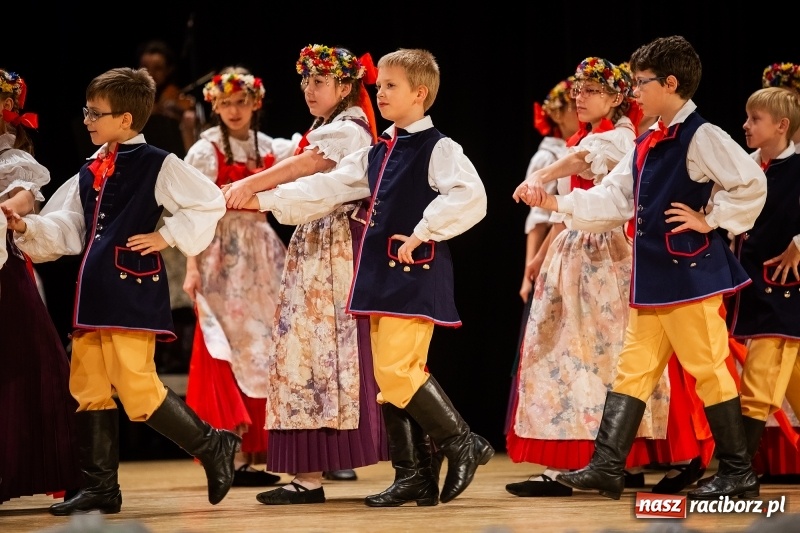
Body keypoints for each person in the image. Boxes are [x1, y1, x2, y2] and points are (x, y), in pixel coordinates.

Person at [515, 35, 768, 501]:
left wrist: (710, 219)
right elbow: (615, 198)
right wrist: (555, 201)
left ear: (670, 84)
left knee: (709, 367)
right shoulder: (649, 139)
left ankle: (739, 472)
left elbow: (752, 184)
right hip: (654, 280)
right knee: (632, 371)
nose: (635, 92)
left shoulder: (702, 135)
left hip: (689, 276)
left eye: (642, 83)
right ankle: (607, 466)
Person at [242, 47, 493, 506]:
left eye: (390, 87)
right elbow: (327, 188)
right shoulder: (379, 151)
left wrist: (423, 231)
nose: (380, 94)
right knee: (388, 376)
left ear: (420, 93)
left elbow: (470, 196)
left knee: (399, 371)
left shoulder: (439, 147)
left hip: (414, 275)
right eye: (379, 87)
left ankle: (462, 442)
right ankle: (413, 474)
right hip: (379, 278)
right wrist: (262, 201)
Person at [5, 67, 234, 515]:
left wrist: (167, 237)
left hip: (131, 289)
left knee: (136, 384)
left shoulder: (159, 163)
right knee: (87, 384)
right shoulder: (91, 167)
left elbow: (210, 201)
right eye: (87, 111)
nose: (87, 119)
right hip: (92, 293)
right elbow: (69, 223)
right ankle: (101, 487)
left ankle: (213, 443)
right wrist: (27, 226)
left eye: (96, 113)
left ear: (126, 120)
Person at [223, 43, 386, 504]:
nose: (309, 90)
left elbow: (312, 164)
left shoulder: (350, 127)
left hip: (336, 246)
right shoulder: (328, 126)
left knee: (325, 352)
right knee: (305, 354)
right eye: (306, 82)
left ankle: (320, 471)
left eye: (319, 82)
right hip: (316, 243)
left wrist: (250, 183)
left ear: (345, 85)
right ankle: (308, 473)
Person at [506, 57, 671, 498]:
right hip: (573, 250)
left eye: (591, 89)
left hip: (605, 256)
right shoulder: (585, 136)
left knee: (593, 355)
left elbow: (583, 164)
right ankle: (591, 458)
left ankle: (591, 458)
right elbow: (567, 205)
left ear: (618, 98)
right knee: (567, 352)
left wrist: (541, 173)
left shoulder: (617, 138)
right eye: (578, 88)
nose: (579, 96)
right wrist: (540, 254)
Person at [182, 67, 296, 487]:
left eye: (241, 102)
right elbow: (191, 210)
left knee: (266, 345)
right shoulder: (206, 149)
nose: (233, 110)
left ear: (255, 103)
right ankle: (227, 449)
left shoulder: (268, 146)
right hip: (220, 256)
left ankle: (259, 451)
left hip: (263, 253)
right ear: (215, 105)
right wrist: (192, 266)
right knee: (225, 344)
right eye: (226, 103)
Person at [0, 68, 82, 505]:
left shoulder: (13, 158)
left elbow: (23, 196)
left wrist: (7, 209)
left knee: (26, 365)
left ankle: (44, 466)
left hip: (3, 271)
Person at [724, 86, 800, 480]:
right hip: (751, 285)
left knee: (758, 380)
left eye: (755, 119)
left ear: (782, 126)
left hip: (785, 293)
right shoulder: (745, 167)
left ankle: (737, 474)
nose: (746, 125)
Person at [504, 75, 578, 439]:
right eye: (570, 106)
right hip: (554, 248)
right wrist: (528, 269)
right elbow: (537, 217)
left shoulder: (587, 144)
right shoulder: (549, 153)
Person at [137, 39, 200, 157]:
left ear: (169, 70)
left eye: (158, 68)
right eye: (145, 67)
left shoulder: (174, 94)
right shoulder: (132, 98)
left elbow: (191, 116)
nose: (150, 73)